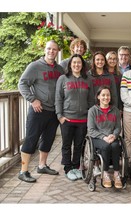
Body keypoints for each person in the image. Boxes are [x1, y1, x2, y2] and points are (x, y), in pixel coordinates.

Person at [17, 40, 64, 183]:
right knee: (31, 139)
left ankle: (42, 166)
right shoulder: (35, 66)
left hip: (53, 111)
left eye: (54, 49)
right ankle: (23, 171)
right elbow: (22, 83)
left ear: (57, 51)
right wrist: (32, 99)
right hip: (38, 110)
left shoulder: (59, 70)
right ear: (45, 50)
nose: (51, 52)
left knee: (48, 139)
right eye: (49, 49)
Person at [55, 54, 94, 181]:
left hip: (83, 120)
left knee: (79, 145)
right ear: (70, 65)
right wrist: (60, 116)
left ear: (82, 65)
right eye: (74, 63)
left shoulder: (88, 79)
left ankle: (76, 167)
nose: (76, 65)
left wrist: (90, 117)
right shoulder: (63, 79)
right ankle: (68, 168)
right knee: (66, 145)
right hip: (67, 119)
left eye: (79, 63)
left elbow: (91, 100)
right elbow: (58, 98)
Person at [87, 86, 123, 189]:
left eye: (108, 95)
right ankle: (105, 173)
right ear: (98, 96)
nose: (106, 97)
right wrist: (103, 137)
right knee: (106, 146)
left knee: (116, 146)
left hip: (112, 137)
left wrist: (114, 135)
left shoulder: (115, 110)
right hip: (98, 138)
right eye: (103, 95)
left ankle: (116, 174)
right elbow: (91, 130)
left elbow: (118, 127)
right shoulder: (92, 111)